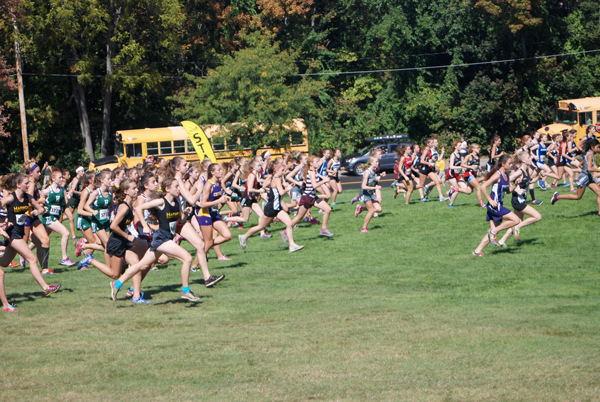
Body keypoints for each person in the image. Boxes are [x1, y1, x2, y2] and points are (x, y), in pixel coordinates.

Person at [109, 178, 219, 302]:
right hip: (161, 239)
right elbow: (139, 209)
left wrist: (186, 214)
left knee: (142, 264)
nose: (179, 189)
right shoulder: (160, 202)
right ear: (167, 189)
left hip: (167, 238)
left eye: (178, 186)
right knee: (187, 258)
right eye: (176, 186)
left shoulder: (177, 200)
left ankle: (117, 284)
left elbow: (181, 220)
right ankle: (186, 291)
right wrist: (145, 225)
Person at [78, 179, 153, 303]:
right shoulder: (124, 207)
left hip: (125, 242)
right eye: (133, 188)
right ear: (126, 191)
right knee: (114, 274)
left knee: (137, 266)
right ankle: (90, 260)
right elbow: (113, 226)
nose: (136, 190)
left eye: (136, 188)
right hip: (117, 242)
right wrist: (127, 235)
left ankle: (136, 297)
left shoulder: (130, 205)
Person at [0, 173, 61, 299]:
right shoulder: (11, 198)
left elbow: (42, 209)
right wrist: (2, 223)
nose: (29, 185)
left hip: (20, 233)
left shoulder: (28, 197)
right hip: (12, 234)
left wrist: (38, 211)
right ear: (18, 185)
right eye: (26, 183)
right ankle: (46, 288)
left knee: (5, 263)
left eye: (28, 182)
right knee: (32, 259)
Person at [239, 158, 304, 252]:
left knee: (289, 223)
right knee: (261, 227)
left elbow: (267, 186)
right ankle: (244, 237)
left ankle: (292, 245)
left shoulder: (276, 178)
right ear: (276, 170)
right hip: (272, 208)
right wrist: (288, 188)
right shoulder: (276, 179)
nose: (284, 172)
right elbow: (281, 193)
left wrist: (268, 189)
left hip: (277, 207)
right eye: (282, 170)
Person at [472, 155, 521, 256]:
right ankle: (493, 232)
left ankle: (477, 251)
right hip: (494, 206)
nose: (511, 165)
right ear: (503, 164)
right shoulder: (497, 174)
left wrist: (515, 184)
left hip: (498, 205)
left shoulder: (506, 176)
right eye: (509, 163)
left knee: (494, 232)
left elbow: (507, 191)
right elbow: (483, 186)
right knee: (516, 220)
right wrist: (490, 200)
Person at [497, 151, 542, 247]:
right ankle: (516, 228)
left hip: (521, 200)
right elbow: (507, 180)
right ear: (523, 160)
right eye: (528, 157)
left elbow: (529, 182)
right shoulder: (520, 171)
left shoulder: (527, 171)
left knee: (517, 221)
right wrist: (517, 191)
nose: (530, 159)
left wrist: (538, 177)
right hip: (518, 201)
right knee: (538, 217)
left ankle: (501, 241)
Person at [551, 139, 600, 216]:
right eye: (598, 147)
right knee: (578, 196)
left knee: (599, 192)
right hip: (584, 178)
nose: (599, 149)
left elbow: (581, 164)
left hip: (588, 177)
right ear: (592, 147)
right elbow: (589, 168)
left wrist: (583, 168)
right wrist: (598, 170)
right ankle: (557, 196)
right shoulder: (590, 155)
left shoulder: (589, 154)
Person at [290, 156, 335, 237]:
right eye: (316, 161)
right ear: (311, 163)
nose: (318, 163)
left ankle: (323, 230)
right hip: (307, 198)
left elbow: (317, 182)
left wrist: (324, 179)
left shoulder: (314, 172)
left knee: (327, 209)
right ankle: (286, 232)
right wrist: (324, 181)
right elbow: (314, 186)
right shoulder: (311, 172)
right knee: (299, 218)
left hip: (313, 197)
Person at [40, 170, 76, 267]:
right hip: (48, 217)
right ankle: (64, 258)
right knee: (66, 233)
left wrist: (68, 198)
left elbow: (66, 203)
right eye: (59, 177)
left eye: (62, 177)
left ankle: (23, 254)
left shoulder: (62, 189)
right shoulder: (47, 190)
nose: (61, 179)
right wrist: (42, 206)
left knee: (40, 240)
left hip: (55, 217)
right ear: (53, 178)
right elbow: (38, 201)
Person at [355, 157, 382, 232]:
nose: (378, 163)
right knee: (371, 210)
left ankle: (361, 208)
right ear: (371, 163)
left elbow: (373, 180)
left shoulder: (373, 171)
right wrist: (374, 188)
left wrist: (379, 177)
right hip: (365, 194)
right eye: (376, 162)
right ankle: (363, 228)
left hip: (370, 193)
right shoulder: (367, 172)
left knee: (379, 209)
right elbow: (363, 186)